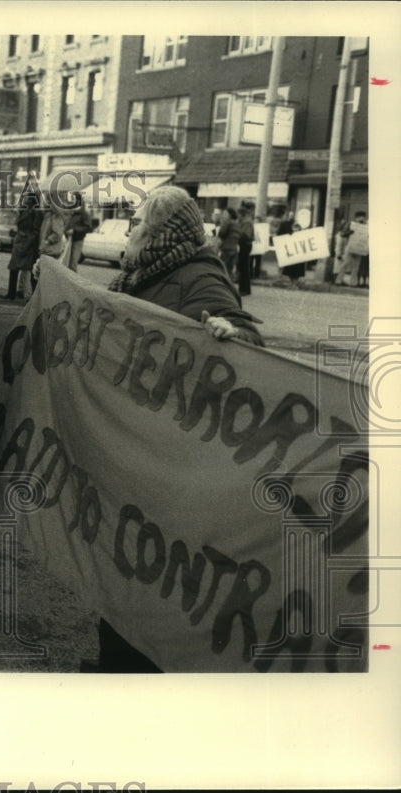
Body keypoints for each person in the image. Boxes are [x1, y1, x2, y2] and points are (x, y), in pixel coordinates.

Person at [94, 185, 263, 672]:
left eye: (140, 222)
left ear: (163, 232)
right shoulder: (138, 273)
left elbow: (245, 330)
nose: (131, 229)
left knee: (141, 572)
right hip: (133, 441)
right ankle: (113, 661)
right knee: (114, 560)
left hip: (165, 452)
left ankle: (133, 673)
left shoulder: (198, 275)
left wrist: (232, 334)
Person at [0, 188, 42, 300]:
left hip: (28, 243)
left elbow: (35, 231)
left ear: (32, 201)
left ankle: (34, 296)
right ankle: (11, 293)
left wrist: (28, 244)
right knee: (13, 267)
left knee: (31, 270)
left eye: (27, 198)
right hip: (20, 241)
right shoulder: (23, 211)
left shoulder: (36, 213)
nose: (25, 200)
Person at [63, 192, 94, 272]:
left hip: (77, 240)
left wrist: (75, 230)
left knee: (73, 263)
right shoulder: (69, 212)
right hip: (66, 239)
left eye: (73, 199)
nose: (71, 201)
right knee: (64, 263)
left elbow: (89, 228)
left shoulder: (83, 214)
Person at [216, 207, 241, 281]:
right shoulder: (237, 224)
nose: (223, 215)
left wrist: (222, 224)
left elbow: (221, 233)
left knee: (222, 269)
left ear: (230, 215)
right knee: (229, 270)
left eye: (225, 213)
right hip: (234, 249)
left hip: (226, 249)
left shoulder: (227, 222)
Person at [236, 204, 255, 295]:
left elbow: (245, 234)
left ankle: (243, 289)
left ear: (242, 214)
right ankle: (245, 288)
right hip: (245, 244)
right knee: (243, 267)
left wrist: (237, 235)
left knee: (243, 267)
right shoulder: (245, 221)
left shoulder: (246, 222)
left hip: (245, 244)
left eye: (239, 214)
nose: (238, 216)